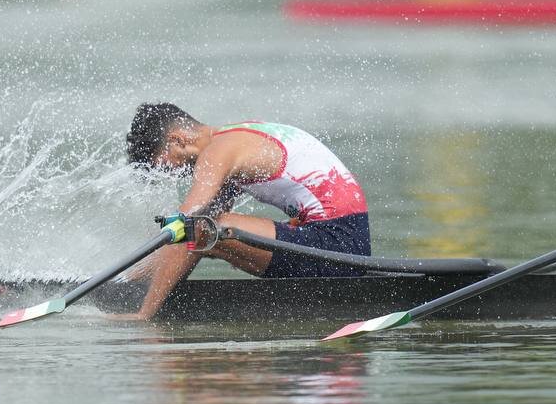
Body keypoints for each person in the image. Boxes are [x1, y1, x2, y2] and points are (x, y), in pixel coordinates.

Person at [124, 103, 371, 319]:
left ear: (177, 140)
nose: (170, 173)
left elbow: (190, 223)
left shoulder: (217, 152)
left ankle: (145, 313)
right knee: (206, 233)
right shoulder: (236, 137)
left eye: (162, 163)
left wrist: (144, 313)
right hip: (343, 243)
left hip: (338, 251)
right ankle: (132, 284)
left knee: (201, 229)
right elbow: (191, 237)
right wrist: (128, 279)